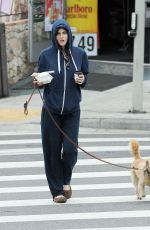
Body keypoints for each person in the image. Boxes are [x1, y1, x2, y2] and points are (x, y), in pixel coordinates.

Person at [33, 19, 88, 203]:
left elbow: (84, 75)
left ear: (69, 35)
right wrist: (38, 82)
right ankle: (57, 191)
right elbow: (39, 79)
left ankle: (65, 181)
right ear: (54, 36)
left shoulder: (79, 54)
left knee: (71, 150)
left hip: (72, 110)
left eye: (64, 33)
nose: (62, 36)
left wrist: (82, 80)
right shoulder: (45, 55)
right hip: (51, 111)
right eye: (58, 33)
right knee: (52, 151)